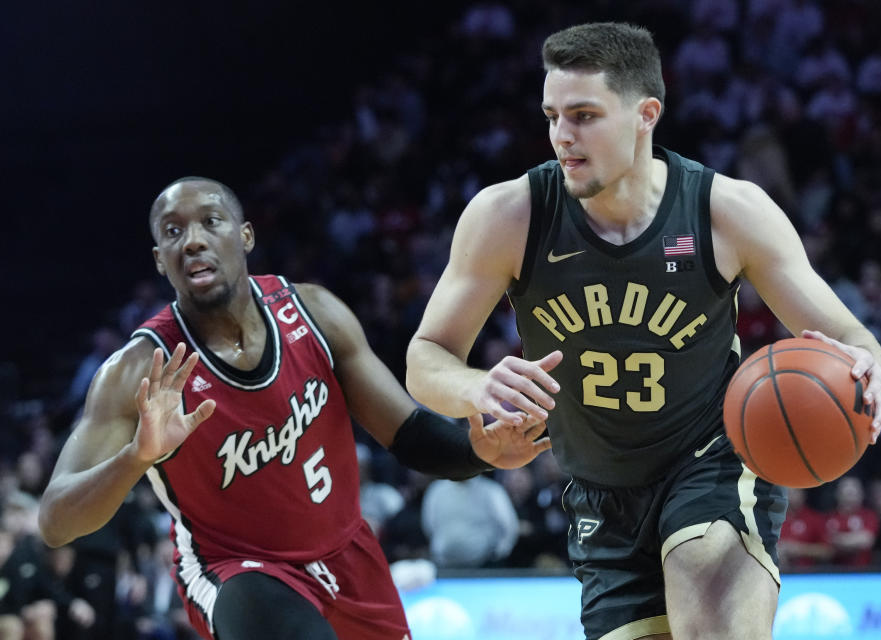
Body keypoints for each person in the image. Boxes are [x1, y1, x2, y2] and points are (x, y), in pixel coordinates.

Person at [405, 22, 881, 640]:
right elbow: (426, 357)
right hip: (599, 497)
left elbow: (850, 336)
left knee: (711, 617)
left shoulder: (725, 211)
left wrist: (869, 360)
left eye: (583, 115)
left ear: (645, 114)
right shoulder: (510, 216)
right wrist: (476, 389)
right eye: (552, 115)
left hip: (711, 462)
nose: (561, 136)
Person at [37, 177, 552, 640]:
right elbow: (56, 521)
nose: (191, 239)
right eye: (172, 232)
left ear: (245, 236)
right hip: (237, 570)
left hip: (348, 554)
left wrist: (477, 450)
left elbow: (409, 435)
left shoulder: (314, 313)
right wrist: (136, 457)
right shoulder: (136, 371)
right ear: (159, 259)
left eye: (210, 222)